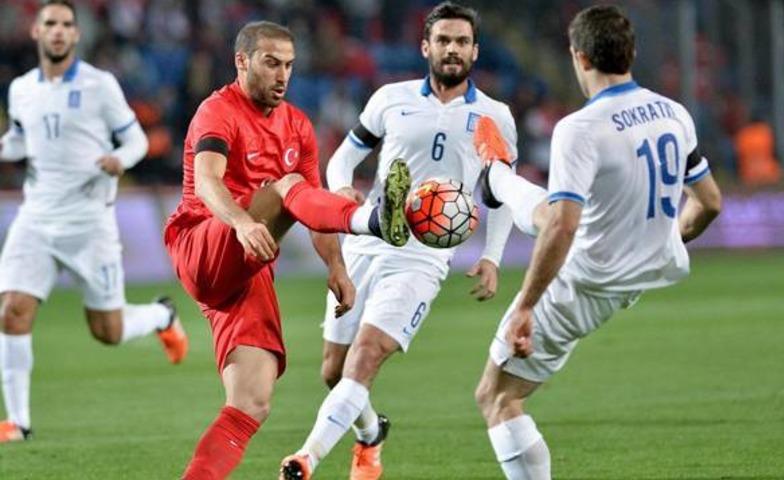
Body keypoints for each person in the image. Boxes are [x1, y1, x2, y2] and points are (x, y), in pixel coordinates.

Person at [471, 6, 723, 479]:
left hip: (582, 284)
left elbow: (563, 230)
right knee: (550, 209)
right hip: (637, 273)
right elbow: (708, 202)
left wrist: (526, 304)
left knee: (498, 396)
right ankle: (498, 177)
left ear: (579, 57)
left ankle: (496, 176)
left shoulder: (579, 129)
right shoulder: (674, 113)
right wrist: (661, 238)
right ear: (631, 52)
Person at [163, 20, 412, 480]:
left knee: (251, 404)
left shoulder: (297, 126)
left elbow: (310, 206)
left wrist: (337, 266)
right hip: (204, 237)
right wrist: (238, 221)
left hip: (247, 269)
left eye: (290, 66)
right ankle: (372, 219)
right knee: (288, 186)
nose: (282, 75)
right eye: (271, 62)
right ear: (242, 61)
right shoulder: (217, 111)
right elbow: (207, 181)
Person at [280, 3, 518, 479]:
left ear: (475, 51)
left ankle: (305, 458)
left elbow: (502, 194)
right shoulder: (391, 98)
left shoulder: (494, 117)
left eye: (462, 42)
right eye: (444, 40)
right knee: (334, 370)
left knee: (366, 356)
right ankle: (371, 433)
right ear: (426, 46)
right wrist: (342, 189)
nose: (453, 49)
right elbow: (343, 158)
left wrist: (492, 257)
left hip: (423, 258)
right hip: (369, 238)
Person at [0, 0, 187, 444]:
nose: (59, 31)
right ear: (36, 32)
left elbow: (138, 139)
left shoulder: (100, 85)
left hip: (89, 222)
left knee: (108, 331)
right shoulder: (22, 89)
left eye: (67, 24)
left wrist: (118, 160)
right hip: (37, 217)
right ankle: (18, 422)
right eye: (51, 24)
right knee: (10, 311)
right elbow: (21, 140)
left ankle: (162, 315)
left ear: (76, 34)